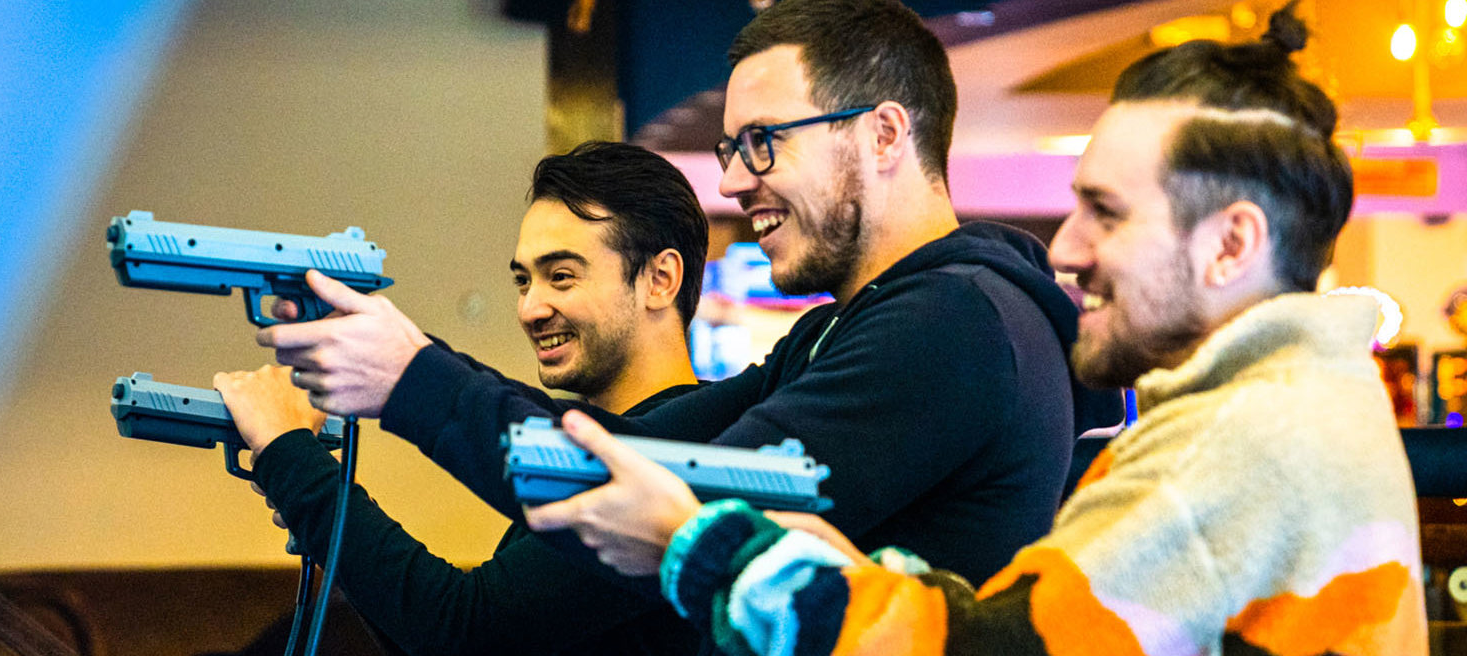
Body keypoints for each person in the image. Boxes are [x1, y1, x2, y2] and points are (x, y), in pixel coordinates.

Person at [528, 7, 1428, 654]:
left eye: (1106, 214)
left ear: (1232, 242)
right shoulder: (1304, 404)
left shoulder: (1245, 445)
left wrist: (693, 544)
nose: (1068, 251)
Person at [256, 0, 1118, 588]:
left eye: (763, 143)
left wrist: (408, 383)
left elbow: (678, 510)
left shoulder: (953, 323)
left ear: (885, 132)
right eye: (733, 148)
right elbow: (638, 452)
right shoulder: (854, 327)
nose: (737, 180)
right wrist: (409, 368)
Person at [214, 142, 711, 655]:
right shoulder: (579, 449)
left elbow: (464, 630)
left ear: (660, 279)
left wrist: (289, 455)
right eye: (524, 281)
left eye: (561, 276)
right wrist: (316, 508)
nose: (531, 308)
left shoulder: (699, 450)